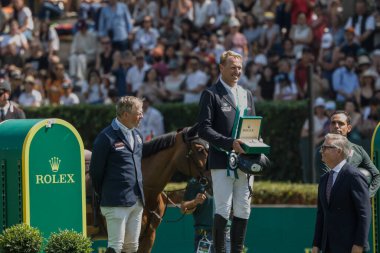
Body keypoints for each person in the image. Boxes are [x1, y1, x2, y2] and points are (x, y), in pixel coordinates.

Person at [198, 50, 255, 253]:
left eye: (239, 67)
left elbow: (252, 126)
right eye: (232, 67)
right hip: (222, 161)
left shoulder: (247, 94)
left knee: (243, 208)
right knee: (223, 207)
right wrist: (229, 143)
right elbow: (203, 129)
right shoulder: (211, 94)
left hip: (245, 161)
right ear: (221, 68)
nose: (237, 71)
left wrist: (255, 143)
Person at [90, 96, 145, 253]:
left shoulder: (138, 136)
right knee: (116, 246)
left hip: (137, 201)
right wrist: (108, 193)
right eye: (139, 112)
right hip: (115, 201)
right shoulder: (105, 137)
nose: (142, 116)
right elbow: (96, 172)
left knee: (132, 247)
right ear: (125, 114)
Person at [312, 133, 371, 253]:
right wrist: (316, 245)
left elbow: (364, 213)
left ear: (338, 151)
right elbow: (321, 215)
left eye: (325, 147)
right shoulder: (324, 179)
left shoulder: (354, 176)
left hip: (350, 247)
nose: (321, 151)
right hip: (328, 247)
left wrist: (359, 244)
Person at [328, 110, 380, 197]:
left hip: (355, 205)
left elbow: (376, 175)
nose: (336, 126)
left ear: (349, 128)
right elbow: (327, 181)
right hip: (333, 205)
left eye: (340, 123)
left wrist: (366, 196)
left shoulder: (358, 150)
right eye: (333, 123)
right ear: (330, 127)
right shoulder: (322, 152)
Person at [180, 177, 214, 253]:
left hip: (226, 235)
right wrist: (195, 202)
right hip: (204, 236)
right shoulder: (195, 181)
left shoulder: (228, 176)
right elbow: (183, 208)